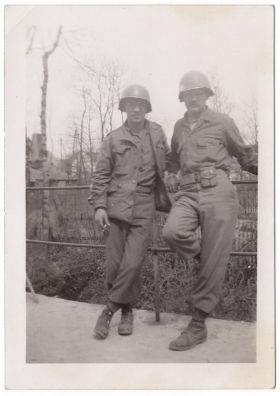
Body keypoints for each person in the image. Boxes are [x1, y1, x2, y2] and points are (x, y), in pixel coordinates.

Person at [162, 71, 258, 351]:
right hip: (188, 191)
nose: (193, 98)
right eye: (188, 94)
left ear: (206, 96)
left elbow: (245, 154)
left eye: (198, 93)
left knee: (213, 262)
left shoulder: (222, 121)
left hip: (218, 191)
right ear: (183, 98)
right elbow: (172, 156)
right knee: (172, 232)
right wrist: (170, 172)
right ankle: (207, 257)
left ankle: (198, 324)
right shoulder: (179, 126)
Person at [88, 84, 171, 339]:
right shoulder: (112, 139)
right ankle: (127, 312)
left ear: (147, 108)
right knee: (115, 265)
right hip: (115, 206)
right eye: (131, 104)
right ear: (123, 108)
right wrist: (99, 205)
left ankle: (109, 311)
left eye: (141, 105)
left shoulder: (157, 134)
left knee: (133, 262)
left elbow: (171, 161)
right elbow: (101, 174)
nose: (137, 109)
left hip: (145, 205)